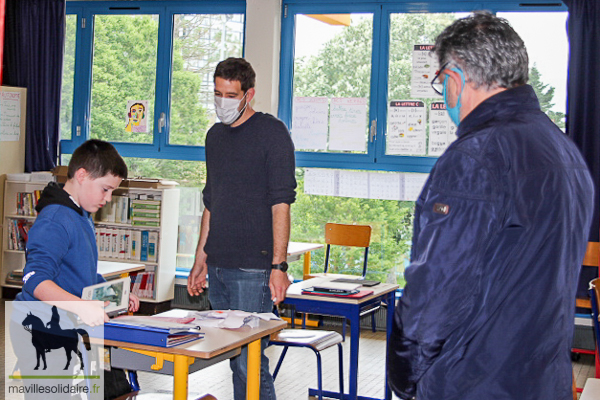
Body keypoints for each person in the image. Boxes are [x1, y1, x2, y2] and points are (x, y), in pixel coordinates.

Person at [387, 12, 594, 400]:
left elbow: (437, 288)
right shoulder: (563, 149)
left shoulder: (475, 157)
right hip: (543, 379)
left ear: (455, 77)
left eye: (440, 83)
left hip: (475, 381)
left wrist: (406, 377)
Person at [187, 57, 296, 400]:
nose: (223, 102)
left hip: (254, 267)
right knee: (234, 357)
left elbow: (281, 204)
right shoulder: (214, 137)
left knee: (250, 362)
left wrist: (279, 267)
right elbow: (211, 202)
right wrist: (199, 258)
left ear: (249, 94)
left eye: (230, 95)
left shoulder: (271, 133)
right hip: (218, 263)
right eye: (218, 93)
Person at [11, 139, 140, 397]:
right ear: (81, 175)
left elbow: (81, 272)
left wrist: (113, 292)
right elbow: (34, 280)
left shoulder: (80, 213)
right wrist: (81, 305)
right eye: (105, 189)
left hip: (62, 322)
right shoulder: (56, 219)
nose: (108, 198)